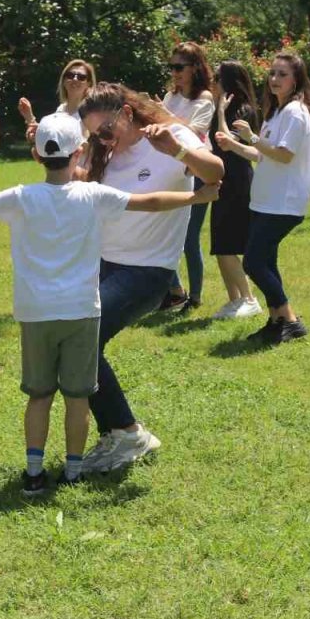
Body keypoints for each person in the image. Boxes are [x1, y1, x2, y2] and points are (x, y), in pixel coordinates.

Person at [0, 113, 218, 493]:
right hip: (82, 313)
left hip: (35, 314)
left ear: (37, 156)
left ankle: (34, 474)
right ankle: (73, 472)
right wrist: (196, 196)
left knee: (39, 397)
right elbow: (151, 202)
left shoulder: (21, 197)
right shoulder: (93, 196)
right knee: (78, 399)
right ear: (79, 152)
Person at [76, 83, 225, 472]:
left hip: (146, 271)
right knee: (74, 341)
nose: (103, 139)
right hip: (104, 263)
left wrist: (177, 151)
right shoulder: (108, 152)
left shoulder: (171, 136)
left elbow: (215, 173)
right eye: (96, 134)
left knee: (82, 339)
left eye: (106, 129)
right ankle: (119, 433)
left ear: (127, 112)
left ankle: (126, 432)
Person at [214, 52, 310, 346]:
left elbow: (283, 155)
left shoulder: (296, 112)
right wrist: (235, 145)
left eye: (282, 74)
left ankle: (290, 319)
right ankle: (276, 323)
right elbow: (262, 155)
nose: (274, 79)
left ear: (296, 79)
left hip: (284, 203)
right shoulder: (276, 112)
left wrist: (252, 137)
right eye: (272, 73)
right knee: (266, 262)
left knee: (254, 262)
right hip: (266, 201)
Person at [160, 42, 216, 313]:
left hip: (197, 172)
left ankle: (194, 297)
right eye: (172, 67)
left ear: (195, 68)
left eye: (179, 67)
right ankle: (175, 291)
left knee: (189, 237)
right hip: (170, 170)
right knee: (162, 232)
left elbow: (195, 132)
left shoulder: (204, 98)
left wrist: (165, 117)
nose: (175, 73)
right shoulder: (171, 96)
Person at [207, 60, 261, 320]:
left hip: (238, 182)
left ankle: (250, 299)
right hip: (221, 180)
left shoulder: (243, 111)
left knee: (228, 245)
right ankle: (234, 300)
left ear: (227, 82)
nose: (212, 83)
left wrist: (220, 113)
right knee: (219, 245)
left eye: (216, 79)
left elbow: (226, 142)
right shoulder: (224, 108)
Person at [18, 59, 96, 130]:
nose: (75, 79)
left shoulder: (91, 113)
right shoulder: (61, 109)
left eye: (81, 77)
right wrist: (29, 117)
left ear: (88, 84)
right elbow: (51, 140)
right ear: (64, 81)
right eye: (70, 75)